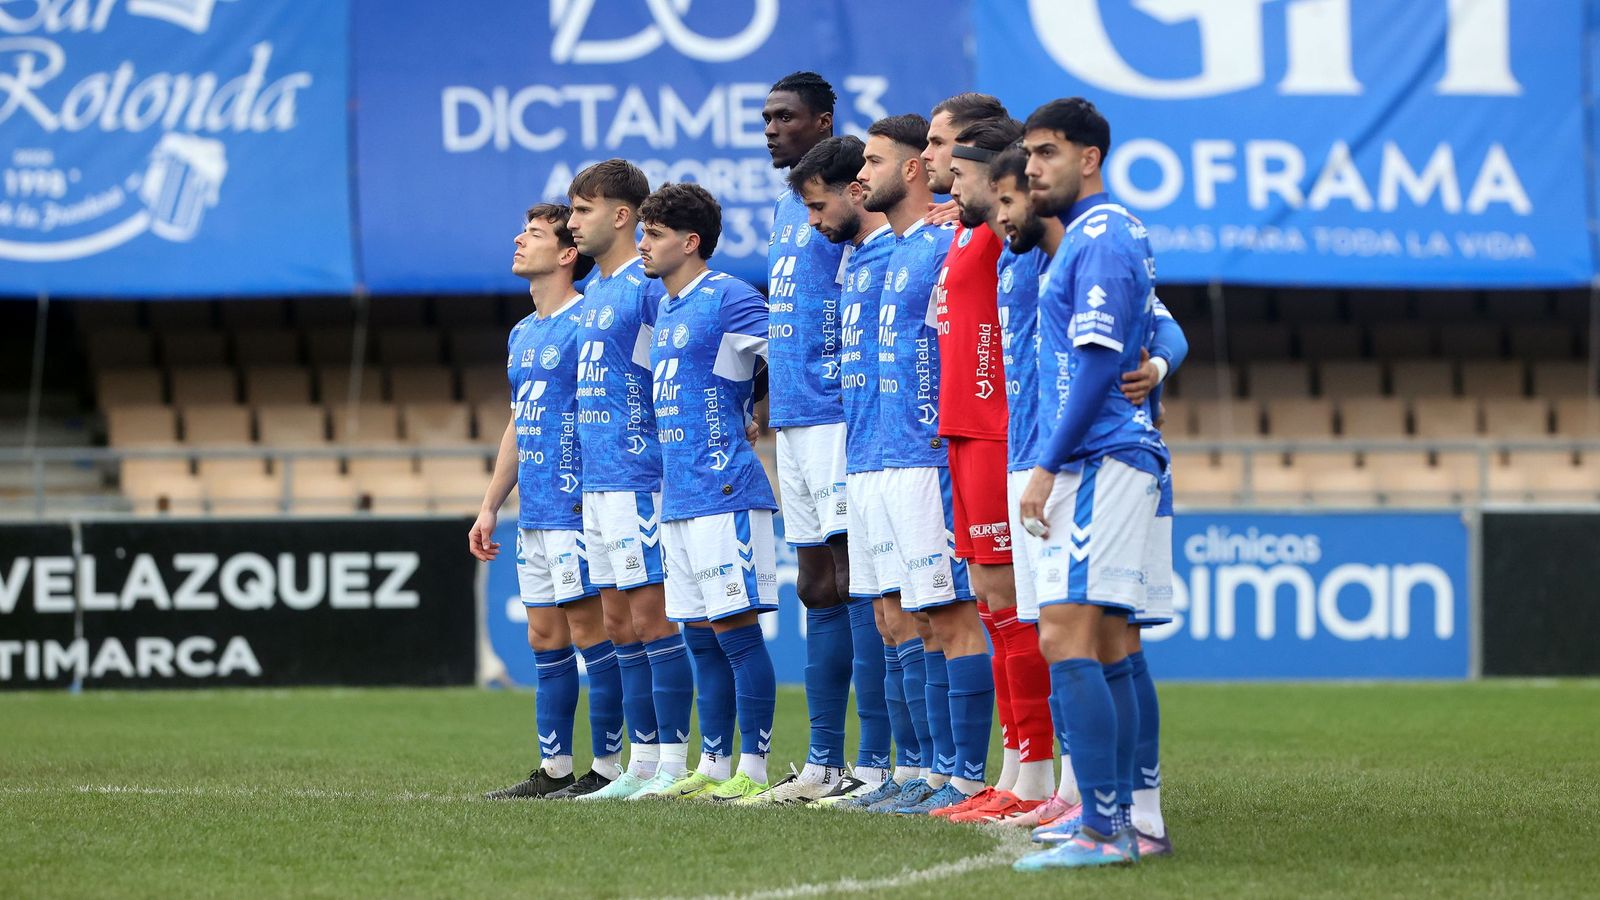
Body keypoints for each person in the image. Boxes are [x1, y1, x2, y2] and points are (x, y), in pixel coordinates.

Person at [1013, 97, 1165, 870]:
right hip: (1112, 456)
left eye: (1045, 154)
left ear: (1089, 158)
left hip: (1096, 458)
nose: (1032, 168)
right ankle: (1136, 819)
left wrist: (1044, 464)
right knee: (1107, 642)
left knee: (1065, 635)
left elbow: (1100, 361)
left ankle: (1103, 831)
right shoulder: (1102, 235)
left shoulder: (1098, 237)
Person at [757, 72, 891, 804]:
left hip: (842, 416)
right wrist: (763, 388)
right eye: (767, 118)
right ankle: (822, 759)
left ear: (825, 122)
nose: (773, 128)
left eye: (786, 117)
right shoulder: (790, 209)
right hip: (794, 422)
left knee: (857, 581)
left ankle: (871, 761)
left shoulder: (852, 207)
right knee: (815, 586)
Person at [854, 113, 981, 816]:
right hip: (873, 454)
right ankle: (921, 770)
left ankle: (960, 775)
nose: (860, 175)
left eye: (873, 162)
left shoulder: (939, 244)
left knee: (943, 616)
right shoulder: (891, 252)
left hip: (922, 453)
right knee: (894, 619)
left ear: (909, 170)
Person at [639, 183, 782, 804]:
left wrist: (757, 407)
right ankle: (715, 764)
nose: (643, 244)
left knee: (736, 632)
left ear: (689, 241)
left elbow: (783, 351)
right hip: (679, 495)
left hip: (725, 488)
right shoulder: (663, 309)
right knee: (698, 634)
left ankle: (755, 766)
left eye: (654, 233)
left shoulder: (728, 297)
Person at [558, 160, 694, 801]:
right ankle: (639, 765)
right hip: (597, 477)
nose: (571, 222)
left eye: (582, 210)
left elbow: (681, 363)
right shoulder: (593, 297)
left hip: (643, 474)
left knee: (651, 617)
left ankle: (672, 761)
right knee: (616, 620)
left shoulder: (645, 287)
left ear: (620, 215)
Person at [786, 134, 913, 808]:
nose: (810, 220)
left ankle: (880, 763)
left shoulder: (904, 244)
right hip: (819, 430)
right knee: (829, 588)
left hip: (868, 436)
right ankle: (831, 761)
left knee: (881, 596)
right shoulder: (851, 248)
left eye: (817, 204)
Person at [473, 203, 615, 800]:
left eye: (531, 234)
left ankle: (608, 769)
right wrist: (489, 505)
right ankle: (554, 770)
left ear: (565, 254)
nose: (517, 239)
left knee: (591, 630)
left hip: (579, 504)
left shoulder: (589, 320)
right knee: (543, 636)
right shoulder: (522, 331)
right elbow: (518, 422)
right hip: (535, 510)